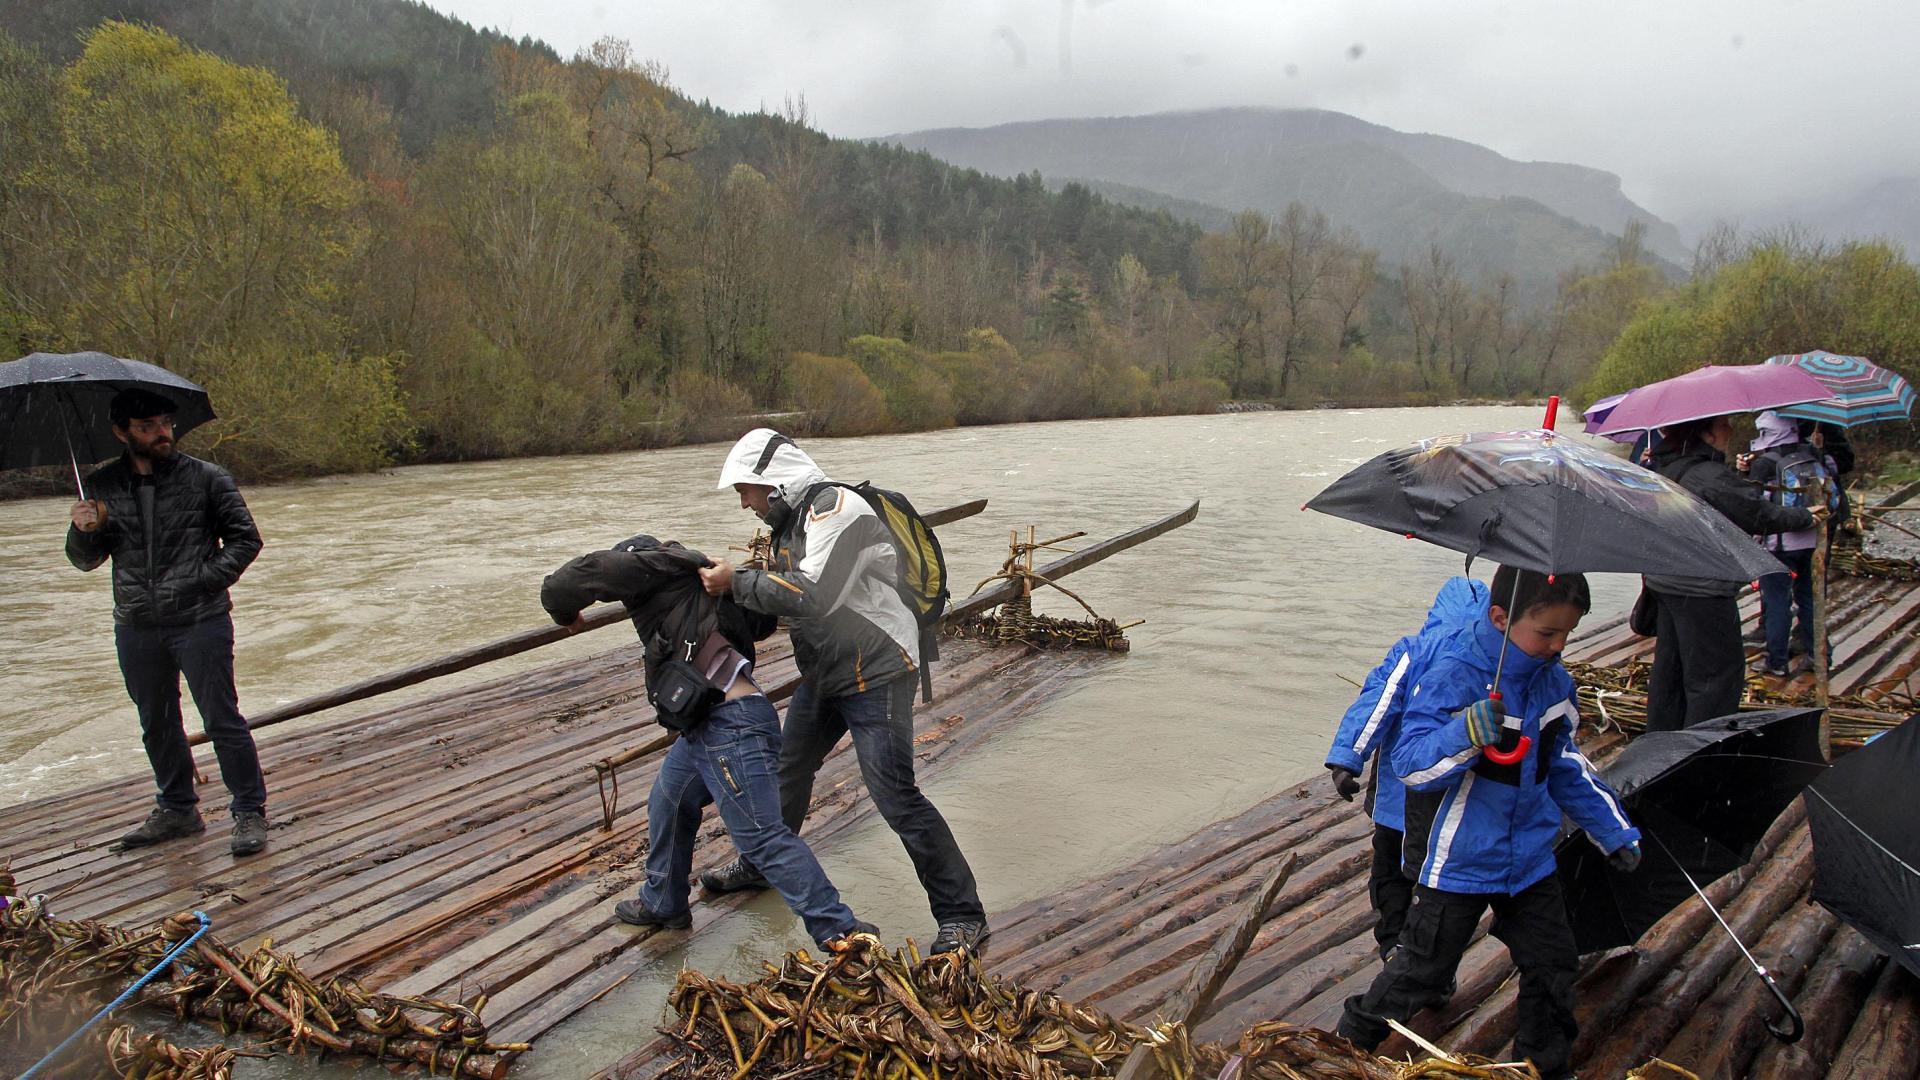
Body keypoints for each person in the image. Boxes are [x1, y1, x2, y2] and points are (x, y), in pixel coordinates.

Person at [1337, 567, 1640, 1080]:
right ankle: (1346, 1042)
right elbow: (1410, 765)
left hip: (1530, 861)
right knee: (1421, 971)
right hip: (1459, 859)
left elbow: (1564, 765)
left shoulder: (1554, 683)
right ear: (1500, 618)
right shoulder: (1452, 673)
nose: (1558, 646)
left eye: (1568, 633)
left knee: (1553, 964)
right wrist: (1464, 733)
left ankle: (1544, 1065)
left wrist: (1612, 829)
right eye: (1547, 633)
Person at [696, 429, 990, 955]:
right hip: (830, 670)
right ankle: (763, 864)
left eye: (745, 490)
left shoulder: (836, 508)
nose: (744, 503)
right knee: (788, 768)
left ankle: (963, 915)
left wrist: (737, 581)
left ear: (773, 481)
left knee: (895, 795)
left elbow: (816, 595)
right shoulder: (792, 522)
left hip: (878, 669)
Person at [541, 533, 875, 948]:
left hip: (730, 726)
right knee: (669, 800)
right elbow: (762, 624)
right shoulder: (701, 582)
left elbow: (571, 579)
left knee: (762, 837)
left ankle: (843, 932)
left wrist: (566, 614)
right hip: (708, 723)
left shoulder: (656, 566)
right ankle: (663, 902)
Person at [65, 388, 268, 856]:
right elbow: (86, 561)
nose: (162, 433)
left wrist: (202, 581)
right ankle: (177, 809)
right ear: (122, 433)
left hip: (200, 618)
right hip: (136, 623)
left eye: (165, 423)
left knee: (221, 718)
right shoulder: (101, 485)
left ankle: (248, 811)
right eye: (148, 427)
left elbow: (246, 540)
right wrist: (82, 531)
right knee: (156, 722)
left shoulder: (207, 478)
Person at [1324, 575, 1488, 960]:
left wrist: (1348, 760)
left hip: (1398, 799)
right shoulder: (1488, 664)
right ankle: (1428, 955)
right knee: (1435, 881)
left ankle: (1392, 942)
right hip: (1454, 806)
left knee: (1390, 872)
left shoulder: (1415, 651)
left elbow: (1378, 705)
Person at [1643, 414, 1823, 730]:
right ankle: (1703, 749)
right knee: (1715, 678)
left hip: (1665, 582)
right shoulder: (1707, 474)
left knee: (1671, 672)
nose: (1731, 429)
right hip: (1702, 587)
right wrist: (1804, 517)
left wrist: (1739, 476)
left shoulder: (1666, 466)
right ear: (1705, 433)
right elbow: (1756, 513)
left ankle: (1661, 741)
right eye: (1723, 424)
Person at [1746, 412, 1832, 677]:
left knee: (1777, 601)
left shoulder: (1765, 463)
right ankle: (1820, 656)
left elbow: (1753, 504)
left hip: (1779, 543)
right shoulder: (1814, 454)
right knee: (1810, 599)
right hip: (1813, 539)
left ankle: (1777, 661)